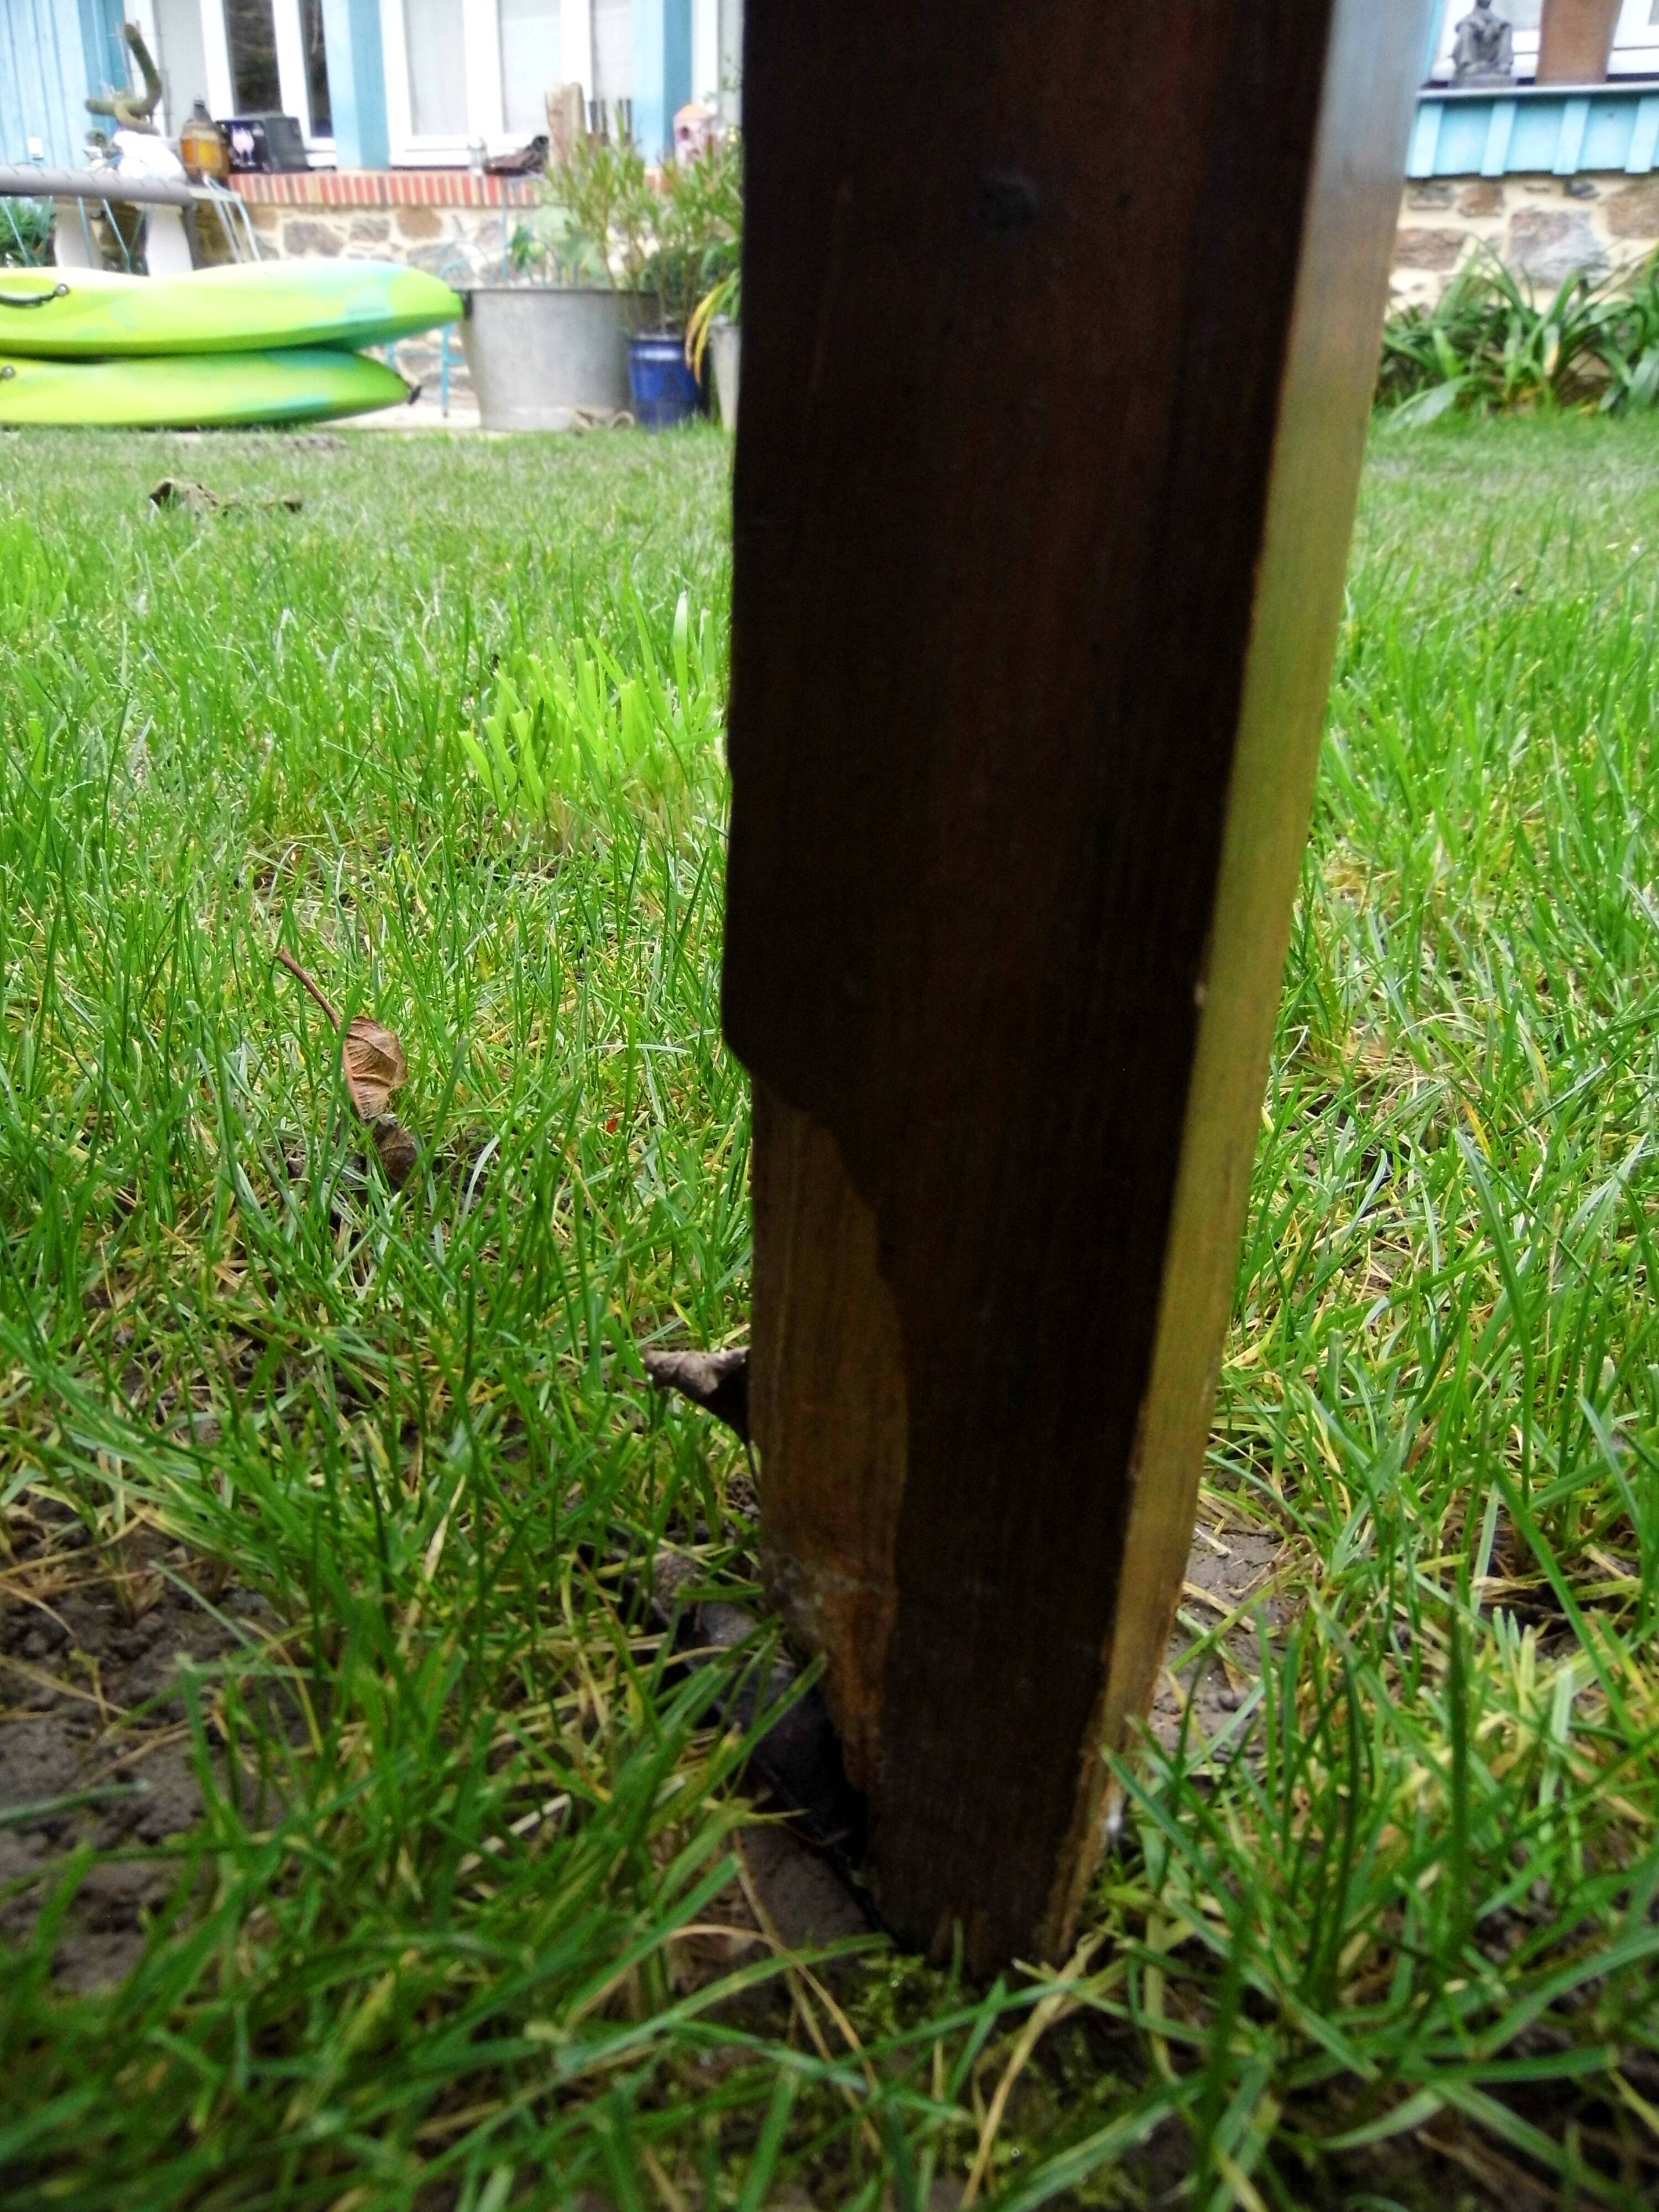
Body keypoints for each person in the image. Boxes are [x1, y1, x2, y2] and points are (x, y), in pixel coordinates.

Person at [1452, 0, 1514, 82]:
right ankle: (1467, 65)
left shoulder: (1491, 15)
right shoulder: (1470, 18)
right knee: (1466, 29)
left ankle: (1503, 64)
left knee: (1506, 27)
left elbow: (1496, 21)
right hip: (1473, 53)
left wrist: (1497, 26)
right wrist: (1474, 23)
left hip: (1490, 51)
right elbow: (1459, 25)